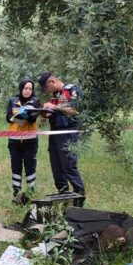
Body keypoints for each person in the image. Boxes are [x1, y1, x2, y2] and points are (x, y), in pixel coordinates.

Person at [37, 72, 86, 203]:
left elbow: (76, 110)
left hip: (67, 131)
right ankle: (63, 196)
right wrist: (42, 112)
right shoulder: (55, 95)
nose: (46, 91)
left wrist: (55, 107)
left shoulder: (72, 90)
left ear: (51, 82)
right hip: (55, 132)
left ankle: (79, 197)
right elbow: (52, 113)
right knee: (56, 166)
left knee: (68, 164)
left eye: (46, 88)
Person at [5, 77, 41, 203]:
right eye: (25, 88)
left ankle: (31, 193)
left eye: (30, 89)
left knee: (30, 168)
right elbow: (8, 117)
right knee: (16, 168)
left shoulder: (35, 101)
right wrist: (20, 117)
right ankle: (16, 195)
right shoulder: (12, 100)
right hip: (14, 140)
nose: (28, 91)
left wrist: (22, 115)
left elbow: (33, 119)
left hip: (30, 141)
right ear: (21, 89)